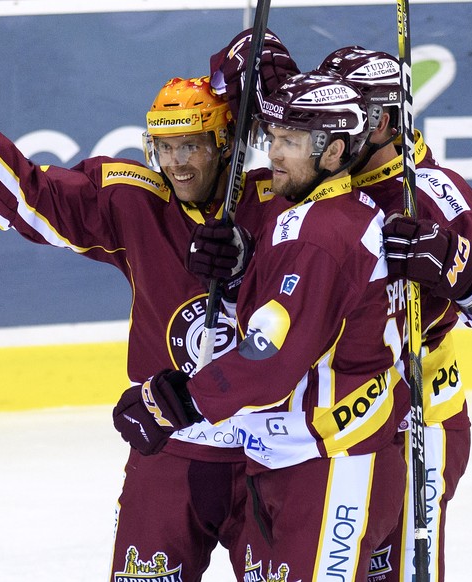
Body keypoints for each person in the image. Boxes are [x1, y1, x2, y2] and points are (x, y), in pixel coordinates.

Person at [0, 32, 298, 581]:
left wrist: (252, 255)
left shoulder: (283, 202)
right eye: (164, 147)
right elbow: (36, 200)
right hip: (171, 448)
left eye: (192, 147)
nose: (176, 164)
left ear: (225, 144)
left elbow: (342, 246)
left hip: (271, 453)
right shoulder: (136, 202)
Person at [113, 71, 412, 579]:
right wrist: (242, 266)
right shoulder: (331, 212)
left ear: (335, 152)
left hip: (331, 460)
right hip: (316, 453)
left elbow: (270, 357)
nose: (273, 154)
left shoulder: (318, 232)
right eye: (272, 138)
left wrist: (179, 402)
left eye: (291, 142)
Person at [317, 46, 472, 582]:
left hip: (416, 420)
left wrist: (456, 267)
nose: (333, 128)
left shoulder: (431, 192)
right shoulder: (315, 182)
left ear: (387, 120)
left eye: (353, 115)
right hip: (322, 423)